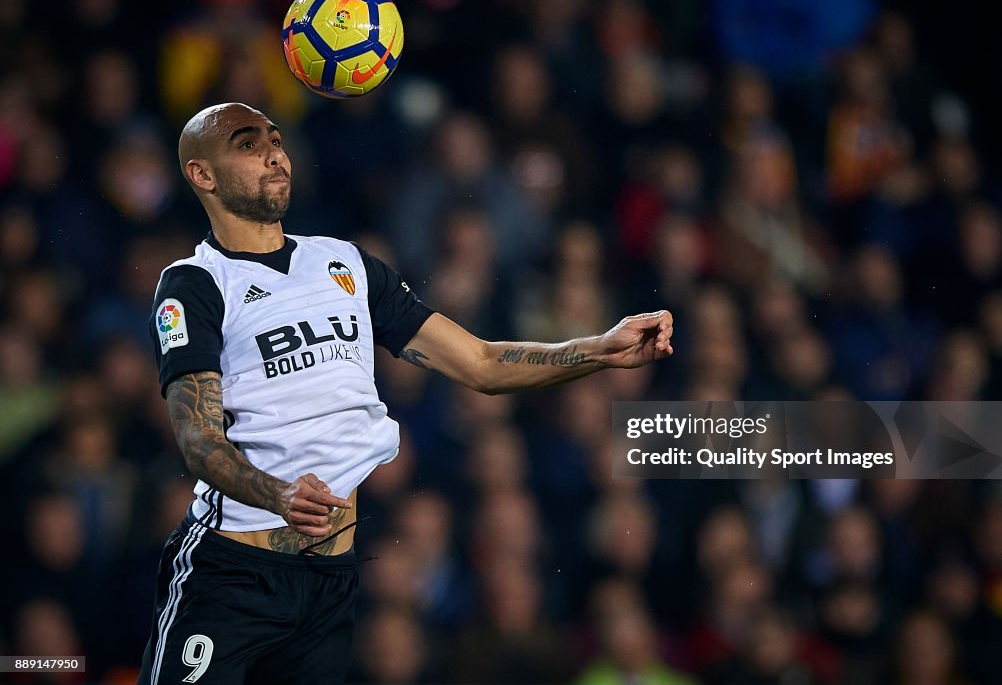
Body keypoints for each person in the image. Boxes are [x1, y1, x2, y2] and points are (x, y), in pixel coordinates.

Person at [137, 102, 674, 684]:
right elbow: (197, 441)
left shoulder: (343, 264)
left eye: (275, 139)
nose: (274, 153)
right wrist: (277, 495)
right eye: (248, 144)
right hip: (232, 574)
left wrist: (599, 349)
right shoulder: (194, 284)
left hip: (329, 584)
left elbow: (481, 363)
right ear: (202, 175)